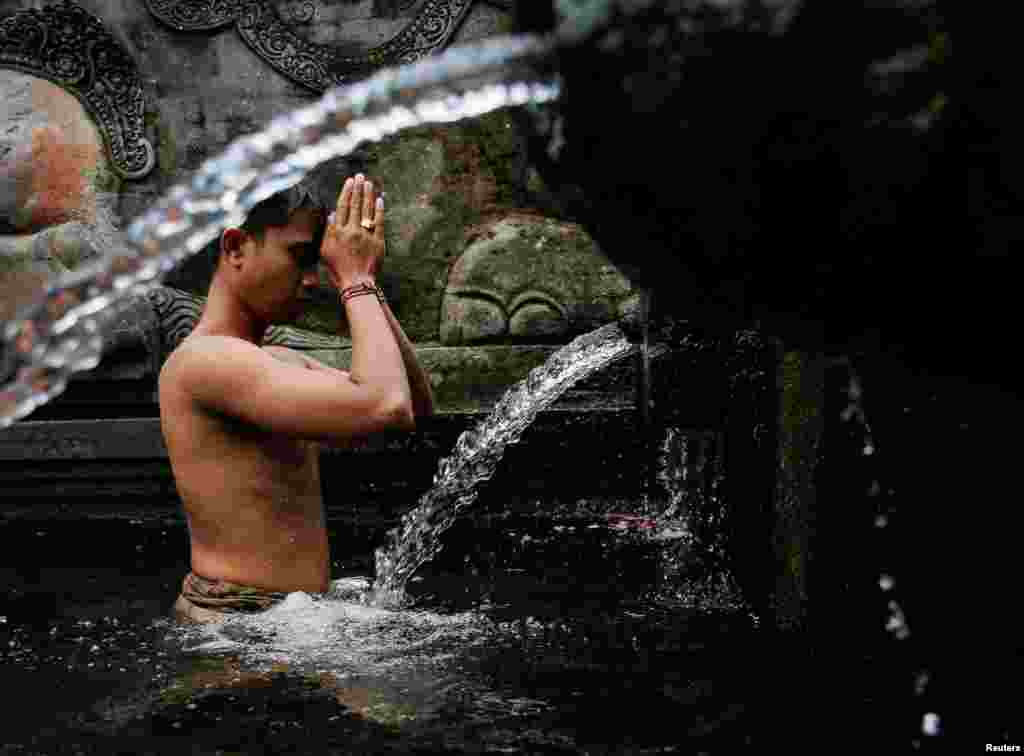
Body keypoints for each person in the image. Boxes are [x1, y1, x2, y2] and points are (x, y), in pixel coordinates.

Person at [159, 173, 433, 623]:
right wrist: (355, 280)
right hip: (237, 631)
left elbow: (414, 408)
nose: (312, 280)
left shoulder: (277, 360)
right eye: (300, 258)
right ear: (235, 248)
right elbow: (386, 405)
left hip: (284, 623)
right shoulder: (204, 361)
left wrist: (365, 280)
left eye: (319, 264)